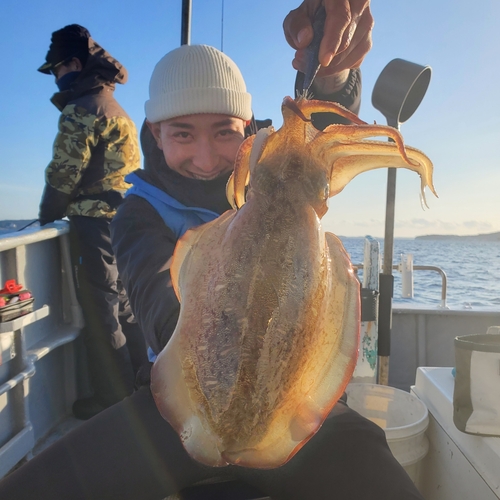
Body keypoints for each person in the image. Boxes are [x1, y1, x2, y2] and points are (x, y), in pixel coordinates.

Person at [0, 2, 424, 498]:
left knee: (368, 463)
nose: (205, 157)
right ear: (156, 134)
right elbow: (161, 309)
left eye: (225, 131)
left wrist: (335, 66)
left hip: (292, 396)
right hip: (181, 402)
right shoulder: (139, 212)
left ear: (247, 129)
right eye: (182, 133)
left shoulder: (274, 170)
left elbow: (317, 124)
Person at [36, 24, 149, 420]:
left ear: (74, 63)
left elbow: (63, 174)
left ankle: (114, 404)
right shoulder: (115, 108)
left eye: (56, 68)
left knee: (102, 313)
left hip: (93, 223)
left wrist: (46, 215)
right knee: (125, 307)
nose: (55, 75)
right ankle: (143, 386)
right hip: (123, 221)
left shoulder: (81, 109)